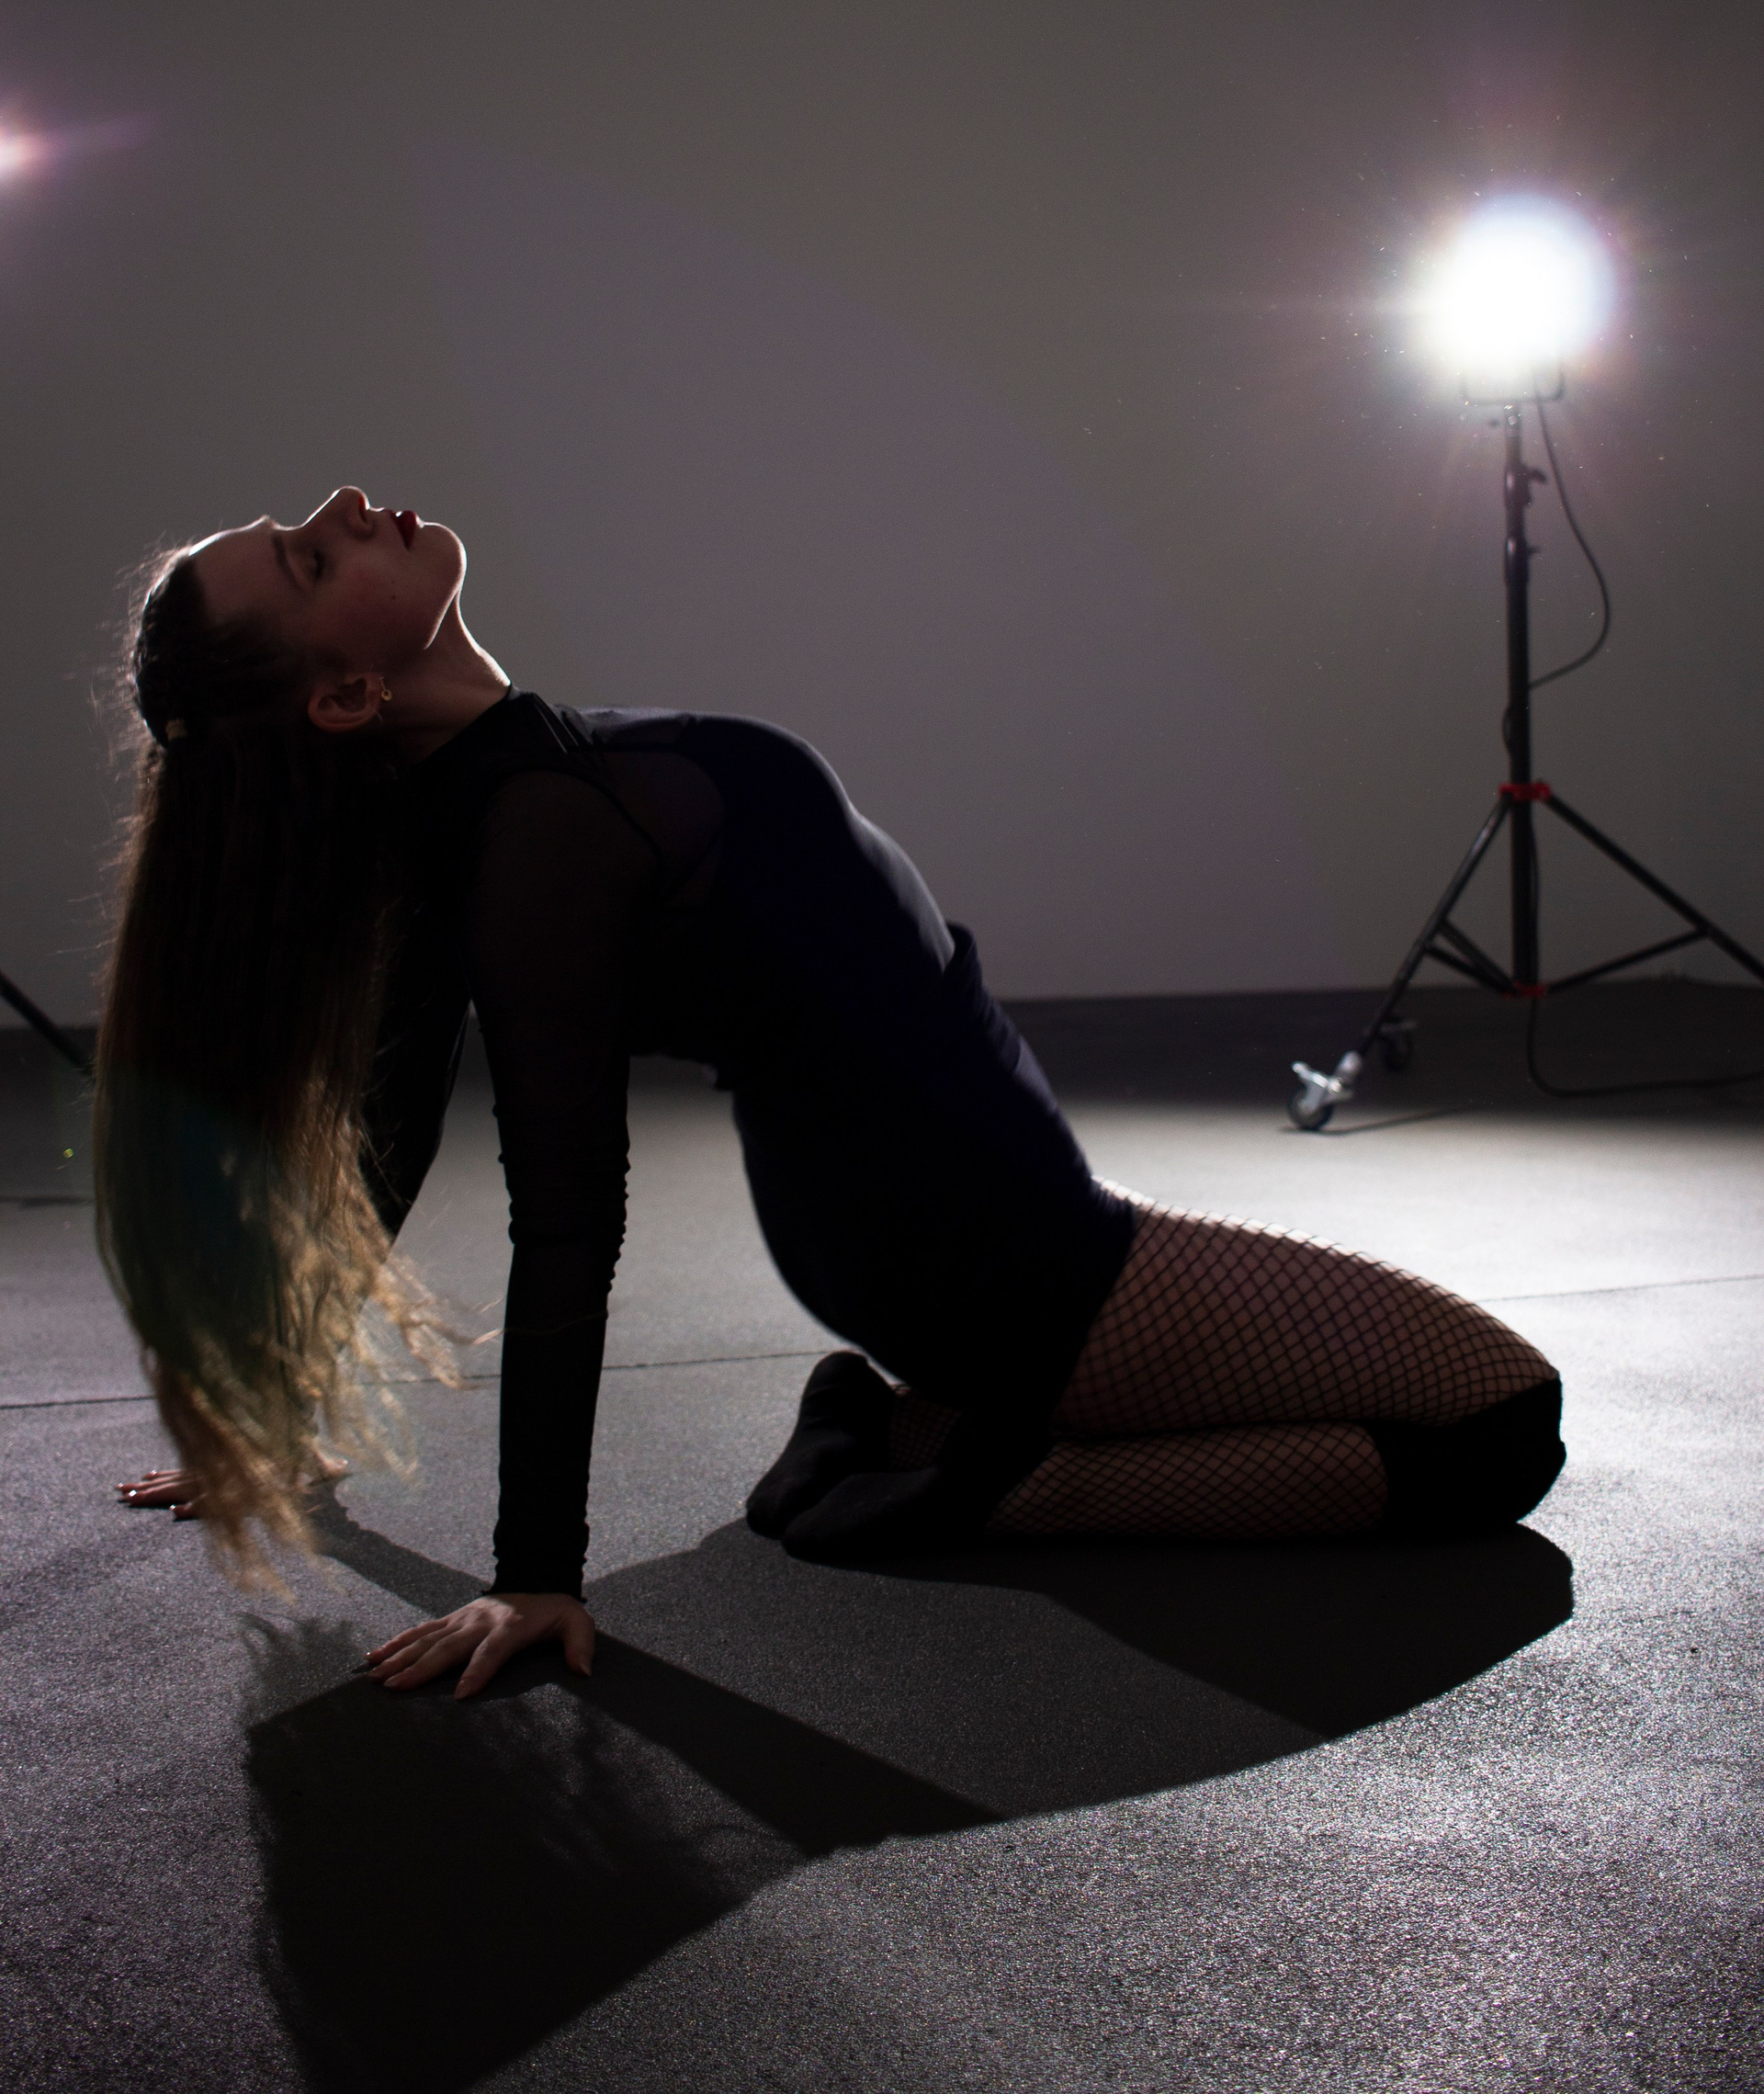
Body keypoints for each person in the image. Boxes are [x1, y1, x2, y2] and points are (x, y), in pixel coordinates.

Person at [103, 490, 1565, 1703]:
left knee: (1409, 1406)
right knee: (1500, 1420)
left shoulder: (502, 800)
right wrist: (536, 1573)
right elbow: (561, 1215)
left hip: (952, 1218)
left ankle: (902, 1437)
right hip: (997, 1247)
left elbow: (385, 1135)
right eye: (310, 560)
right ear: (346, 694)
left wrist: (274, 1406)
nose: (347, 507)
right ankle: (979, 1487)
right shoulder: (533, 835)